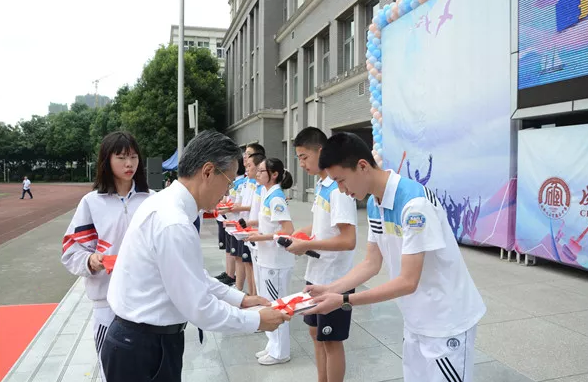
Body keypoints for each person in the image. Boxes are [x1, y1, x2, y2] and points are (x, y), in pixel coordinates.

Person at [101, 131, 290, 382]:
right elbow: (199, 308)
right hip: (143, 347)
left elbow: (191, 274)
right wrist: (255, 320)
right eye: (229, 182)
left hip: (145, 341)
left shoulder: (167, 204)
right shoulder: (174, 222)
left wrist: (242, 299)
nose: (227, 193)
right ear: (208, 171)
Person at [304, 132, 486, 382]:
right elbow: (371, 263)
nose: (341, 190)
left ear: (362, 166)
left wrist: (344, 300)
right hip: (416, 318)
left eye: (341, 180)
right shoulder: (373, 204)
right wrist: (328, 289)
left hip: (446, 320)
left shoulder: (414, 204)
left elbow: (407, 281)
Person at [61, 131, 154, 380]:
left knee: (146, 370)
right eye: (122, 157)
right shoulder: (92, 202)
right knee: (111, 372)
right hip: (107, 303)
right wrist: (91, 261)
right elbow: (71, 250)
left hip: (146, 300)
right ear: (106, 160)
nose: (129, 164)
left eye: (134, 157)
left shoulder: (152, 200)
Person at [286, 127, 358, 382]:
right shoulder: (322, 186)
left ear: (321, 151)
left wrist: (305, 246)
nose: (302, 164)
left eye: (304, 157)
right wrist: (298, 237)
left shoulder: (340, 189)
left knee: (331, 341)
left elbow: (348, 240)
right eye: (299, 159)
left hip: (335, 279)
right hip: (316, 274)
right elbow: (321, 228)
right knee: (316, 334)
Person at [244, 157, 295, 366]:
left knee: (277, 306)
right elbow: (270, 226)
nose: (257, 173)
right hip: (266, 258)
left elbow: (287, 229)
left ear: (274, 174)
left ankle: (281, 352)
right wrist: (257, 232)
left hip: (276, 262)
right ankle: (272, 345)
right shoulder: (267, 194)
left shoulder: (276, 198)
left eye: (261, 171)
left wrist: (261, 237)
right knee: (268, 302)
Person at [228, 143, 265, 292]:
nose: (246, 166)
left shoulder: (262, 187)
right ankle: (250, 293)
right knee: (245, 261)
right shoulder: (247, 181)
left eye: (248, 156)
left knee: (251, 264)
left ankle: (253, 294)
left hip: (254, 231)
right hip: (246, 227)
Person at [214, 157, 246, 286]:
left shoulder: (243, 182)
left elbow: (237, 202)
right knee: (230, 250)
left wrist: (227, 207)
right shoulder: (238, 182)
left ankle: (234, 280)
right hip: (228, 220)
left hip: (237, 222)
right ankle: (229, 274)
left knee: (239, 255)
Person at [239, 153, 265, 296]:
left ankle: (256, 297)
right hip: (253, 234)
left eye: (249, 165)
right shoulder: (257, 186)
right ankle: (253, 296)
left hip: (260, 238)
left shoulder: (268, 191)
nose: (246, 168)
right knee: (251, 267)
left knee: (259, 275)